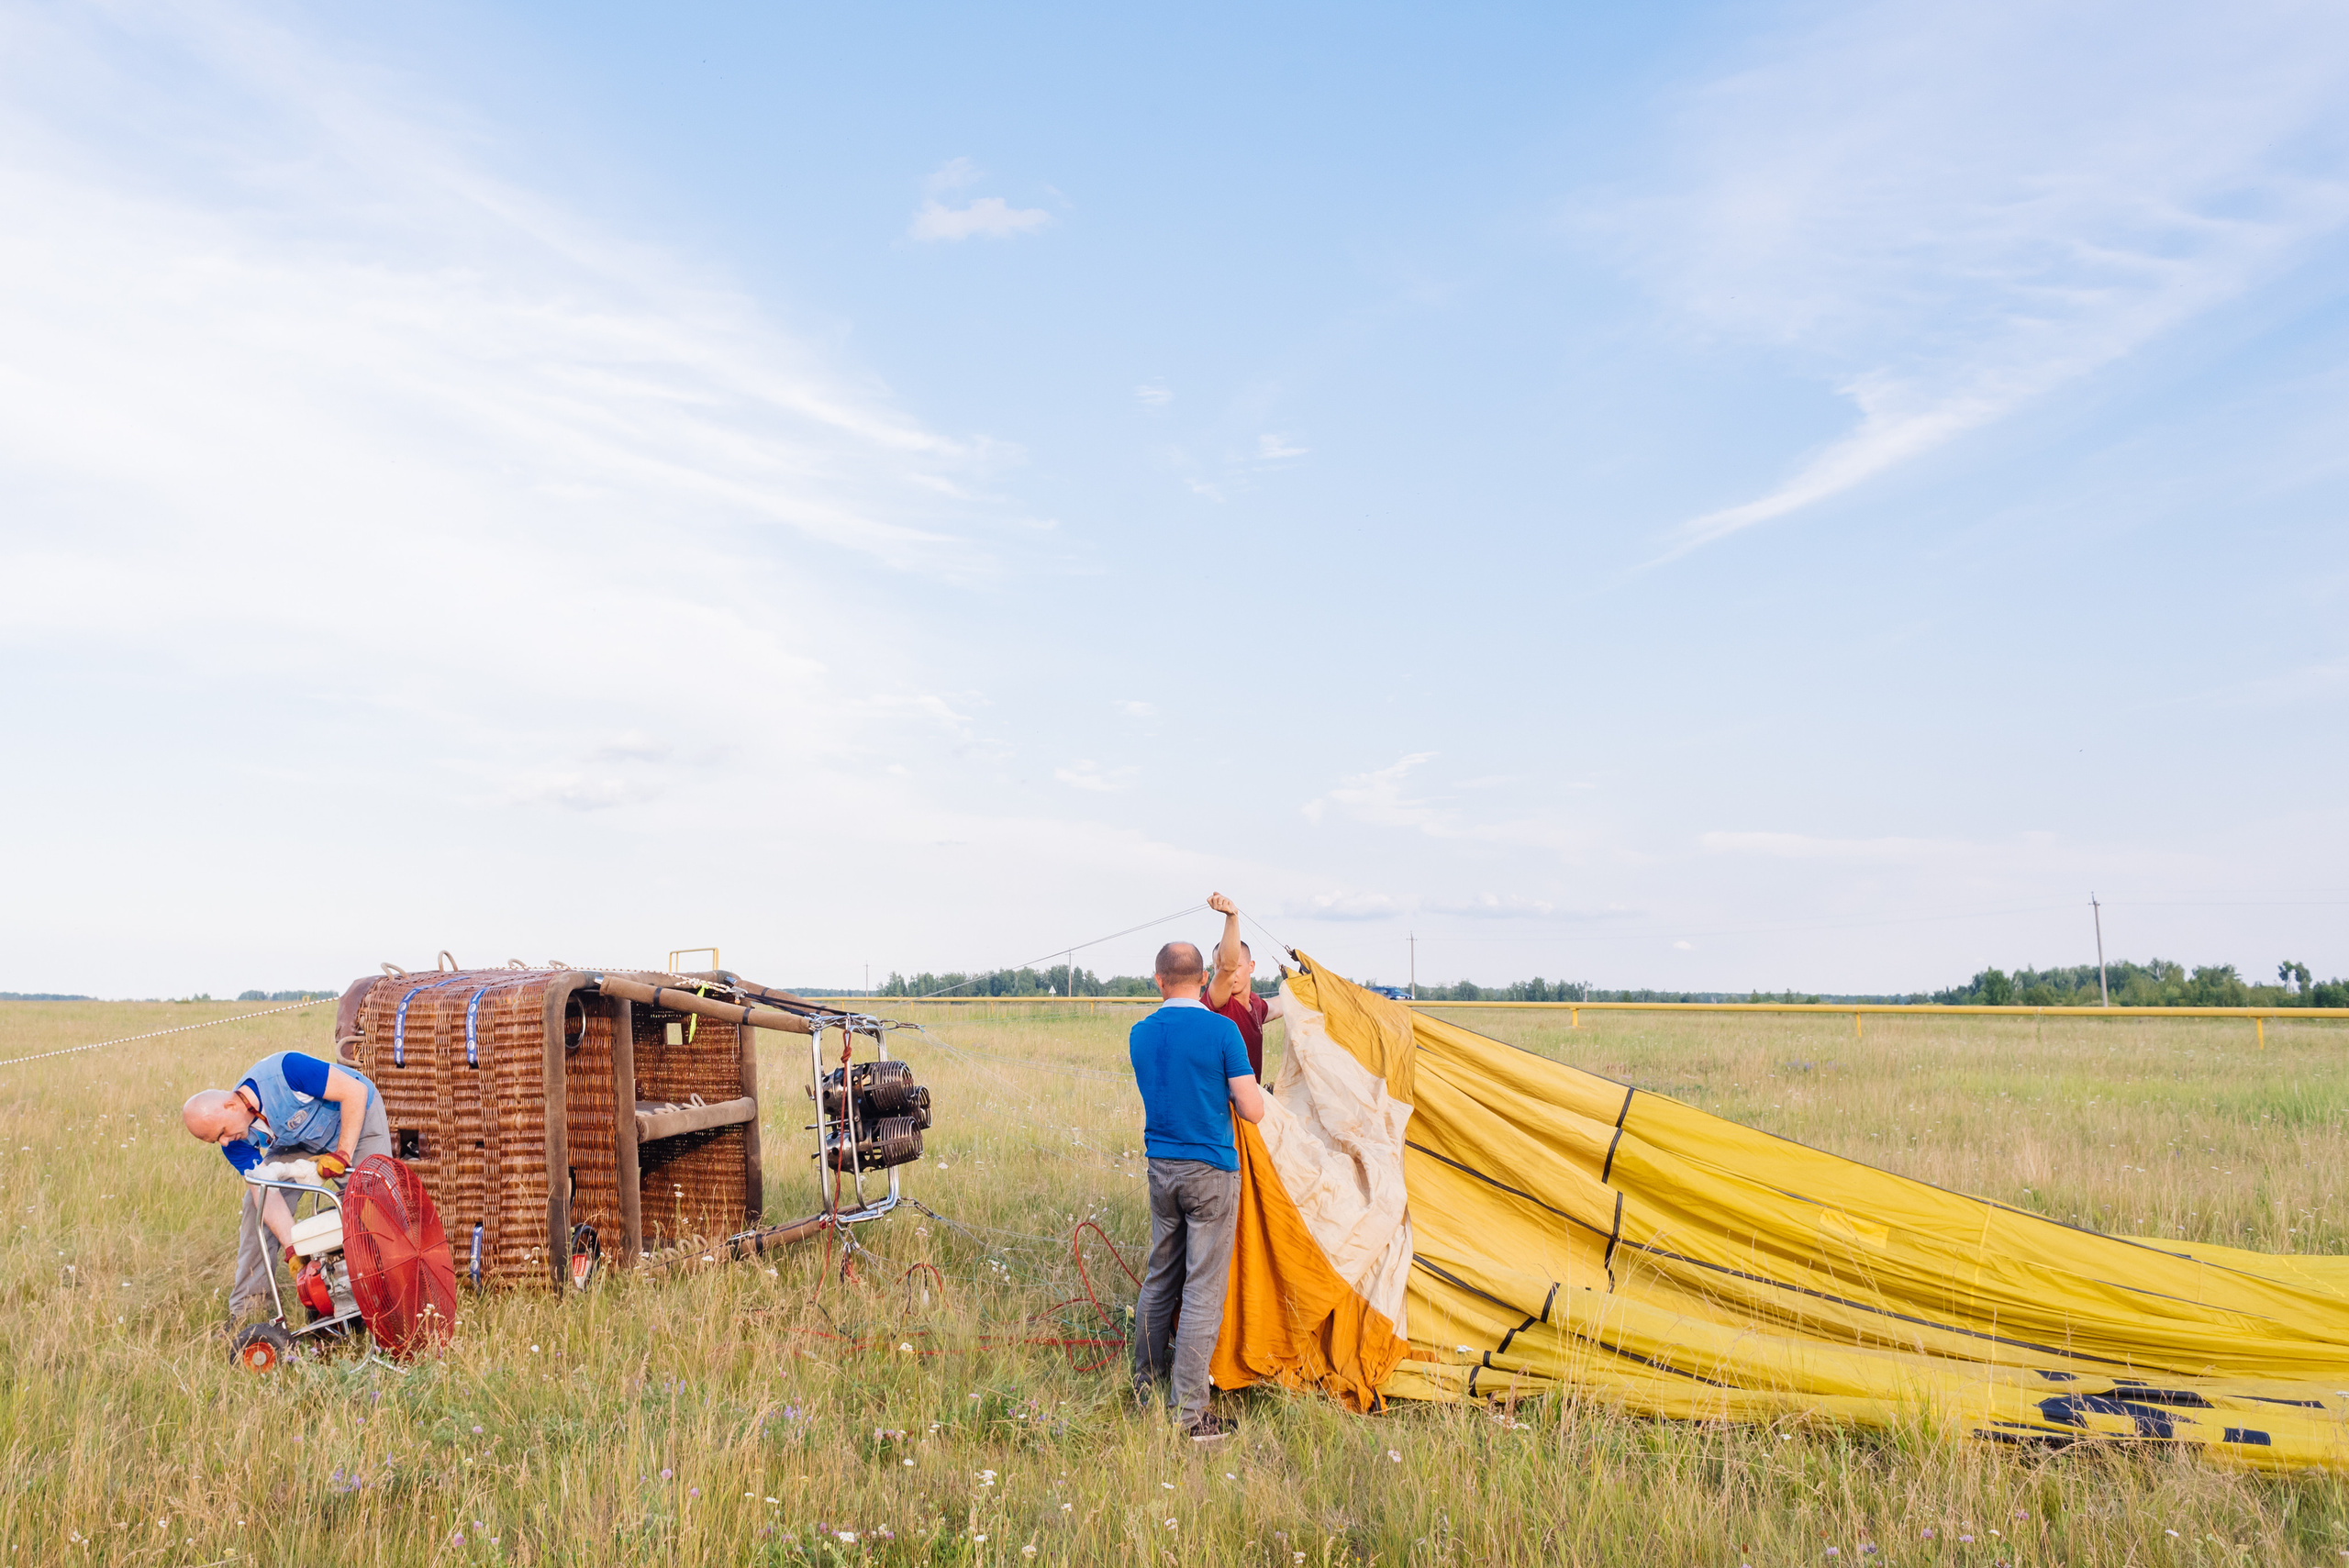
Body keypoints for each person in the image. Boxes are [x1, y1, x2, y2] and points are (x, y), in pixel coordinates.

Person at [1129, 938, 1265, 1440]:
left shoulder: (1139, 1034)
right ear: (1205, 979)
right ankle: (1189, 1414)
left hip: (1160, 1169)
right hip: (1210, 1171)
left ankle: (1144, 1383)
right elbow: (1254, 1109)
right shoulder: (1222, 1030)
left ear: (1159, 979)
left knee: (1159, 1276)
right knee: (1203, 1289)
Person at [181, 1050, 390, 1322]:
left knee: (376, 1211)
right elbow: (264, 1191)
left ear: (231, 1106)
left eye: (220, 1133)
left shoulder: (287, 1070)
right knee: (255, 1208)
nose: (223, 1143)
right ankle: (249, 1310)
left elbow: (354, 1092)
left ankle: (384, 1297)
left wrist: (342, 1155)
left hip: (355, 1120)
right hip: (297, 1143)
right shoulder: (234, 1142)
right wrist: (293, 1248)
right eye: (214, 1141)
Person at [1205, 892, 1287, 1082]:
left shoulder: (1255, 1004)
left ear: (1251, 967)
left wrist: (1308, 984)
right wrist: (1232, 917)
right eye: (1218, 969)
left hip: (1249, 1104)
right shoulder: (1217, 1002)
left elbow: (1279, 1006)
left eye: (1237, 967)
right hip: (1224, 1107)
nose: (1227, 974)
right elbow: (1227, 966)